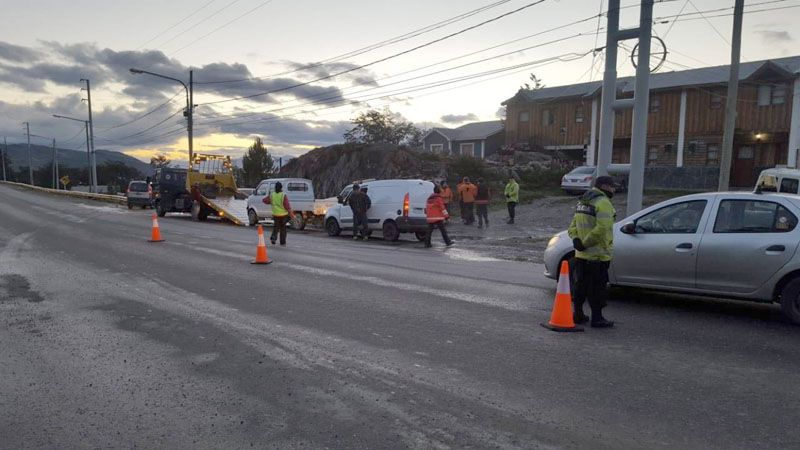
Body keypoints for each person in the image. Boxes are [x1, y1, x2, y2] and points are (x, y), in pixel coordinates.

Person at [567, 176, 616, 328]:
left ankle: (578, 314)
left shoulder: (583, 201)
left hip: (581, 255)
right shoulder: (603, 202)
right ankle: (597, 318)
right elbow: (602, 228)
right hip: (598, 255)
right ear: (605, 186)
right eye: (612, 186)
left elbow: (573, 225)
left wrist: (576, 239)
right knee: (597, 288)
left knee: (580, 286)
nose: (614, 189)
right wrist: (586, 243)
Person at [262, 181, 294, 246]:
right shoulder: (283, 195)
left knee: (276, 228)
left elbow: (264, 200)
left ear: (275, 187)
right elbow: (287, 206)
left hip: (276, 215)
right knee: (283, 229)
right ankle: (282, 242)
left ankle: (273, 238)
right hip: (283, 215)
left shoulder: (272, 195)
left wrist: (271, 202)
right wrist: (291, 215)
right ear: (281, 188)